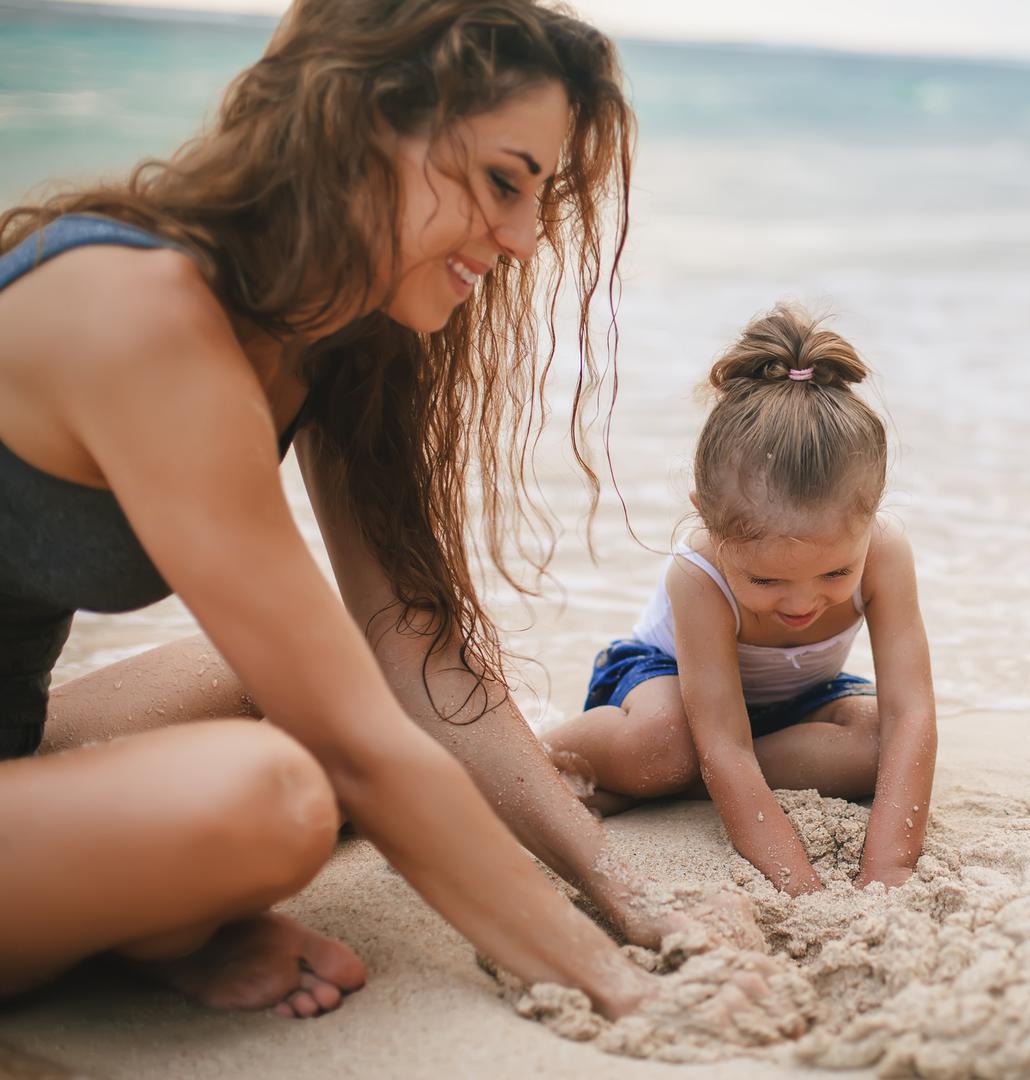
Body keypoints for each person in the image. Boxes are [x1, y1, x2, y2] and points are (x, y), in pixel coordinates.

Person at [0, 0, 758, 1022]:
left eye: (541, 196)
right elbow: (365, 747)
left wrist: (631, 898)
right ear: (359, 122)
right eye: (501, 182)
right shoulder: (140, 310)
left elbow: (416, 655)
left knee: (294, 685)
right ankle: (132, 927)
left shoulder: (324, 336)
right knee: (274, 793)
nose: (527, 238)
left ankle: (120, 918)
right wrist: (619, 989)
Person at [544, 304, 938, 895]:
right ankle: (533, 757)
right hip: (669, 687)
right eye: (765, 581)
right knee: (667, 749)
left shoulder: (885, 555)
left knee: (877, 742)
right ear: (707, 518)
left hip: (792, 704)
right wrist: (797, 885)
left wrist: (889, 871)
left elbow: (913, 714)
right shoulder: (697, 575)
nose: (802, 602)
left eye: (835, 572)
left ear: (874, 514)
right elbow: (723, 742)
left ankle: (680, 784)